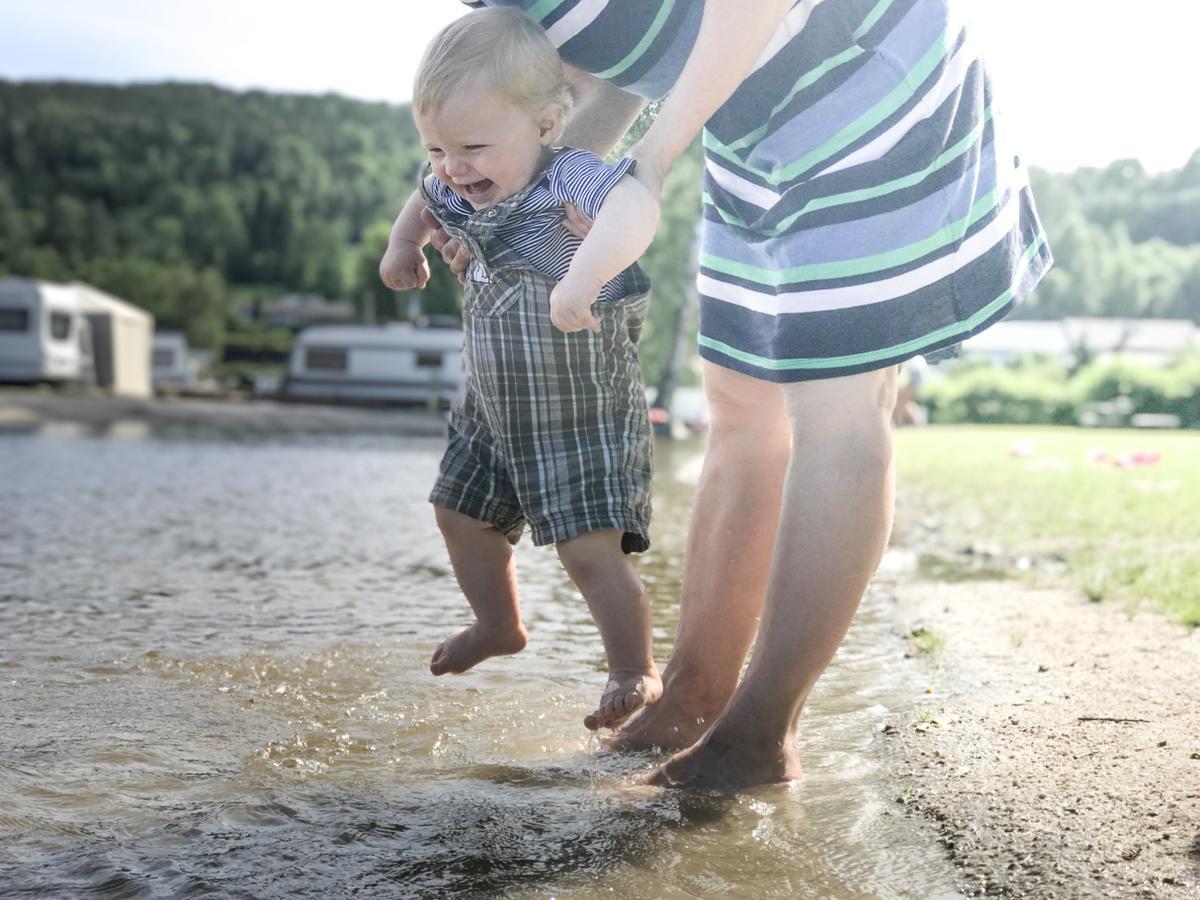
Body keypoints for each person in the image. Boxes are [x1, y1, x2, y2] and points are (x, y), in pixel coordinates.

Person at [435, 0, 1051, 790]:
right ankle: (696, 696)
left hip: (860, 73)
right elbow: (618, 62)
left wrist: (651, 165)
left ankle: (761, 735)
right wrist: (518, 204)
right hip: (748, 114)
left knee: (834, 405)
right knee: (739, 403)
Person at [379, 9, 665, 732]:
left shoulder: (573, 175)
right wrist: (403, 247)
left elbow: (637, 207)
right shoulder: (454, 179)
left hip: (578, 404)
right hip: (492, 405)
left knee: (587, 550)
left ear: (546, 124)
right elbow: (424, 196)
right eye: (438, 147)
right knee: (456, 513)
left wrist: (585, 273)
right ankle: (498, 622)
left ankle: (635, 668)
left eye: (473, 146)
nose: (454, 167)